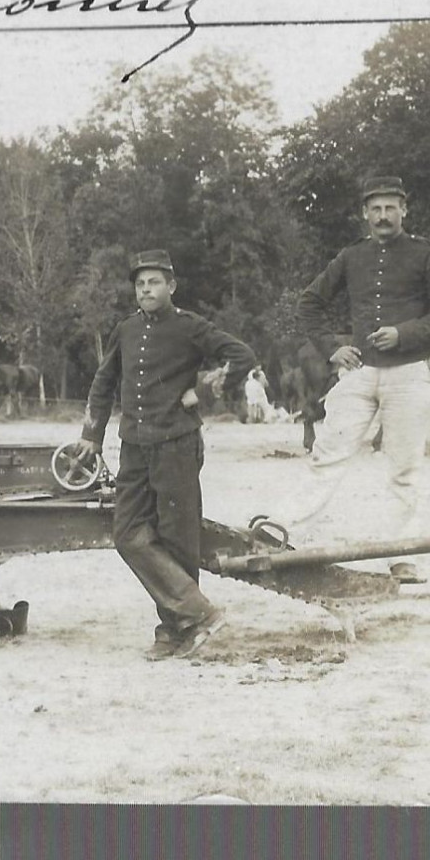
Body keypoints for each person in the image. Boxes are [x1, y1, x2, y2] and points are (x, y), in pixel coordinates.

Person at [72, 249, 255, 661]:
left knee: (177, 538)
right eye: (140, 284)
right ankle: (196, 613)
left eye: (154, 282)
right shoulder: (126, 330)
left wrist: (202, 392)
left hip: (177, 445)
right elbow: (104, 384)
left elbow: (242, 355)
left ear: (171, 286)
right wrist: (91, 436)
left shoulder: (189, 327)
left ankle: (173, 632)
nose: (146, 290)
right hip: (134, 447)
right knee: (128, 534)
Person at [294, 176, 430, 584]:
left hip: (410, 374)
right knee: (327, 454)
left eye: (391, 208)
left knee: (404, 469)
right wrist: (331, 349)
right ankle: (282, 531)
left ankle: (402, 556)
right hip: (360, 372)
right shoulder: (351, 257)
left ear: (404, 211)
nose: (383, 216)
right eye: (376, 209)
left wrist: (403, 333)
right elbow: (309, 304)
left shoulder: (427, 255)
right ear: (364, 214)